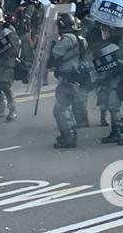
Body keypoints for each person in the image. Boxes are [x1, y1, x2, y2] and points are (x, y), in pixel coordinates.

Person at [48, 13, 87, 149]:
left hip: (67, 77)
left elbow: (56, 53)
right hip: (74, 77)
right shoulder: (79, 38)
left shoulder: (68, 38)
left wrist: (51, 45)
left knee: (61, 109)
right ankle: (68, 134)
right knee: (63, 108)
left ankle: (69, 137)